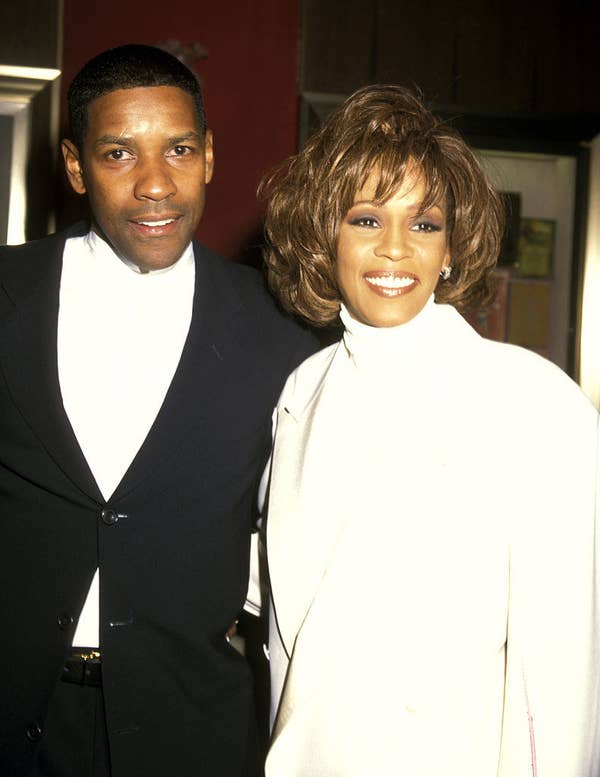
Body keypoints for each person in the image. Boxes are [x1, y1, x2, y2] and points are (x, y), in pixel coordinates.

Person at [260, 85, 600, 776]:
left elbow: (560, 684)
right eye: (364, 219)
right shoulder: (300, 393)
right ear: (327, 239)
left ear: (451, 247)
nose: (394, 250)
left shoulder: (535, 405)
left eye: (423, 224)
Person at [0, 44, 316, 777]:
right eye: (118, 153)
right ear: (77, 167)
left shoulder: (282, 330)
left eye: (177, 149)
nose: (154, 185)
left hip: (191, 730)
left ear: (208, 156)